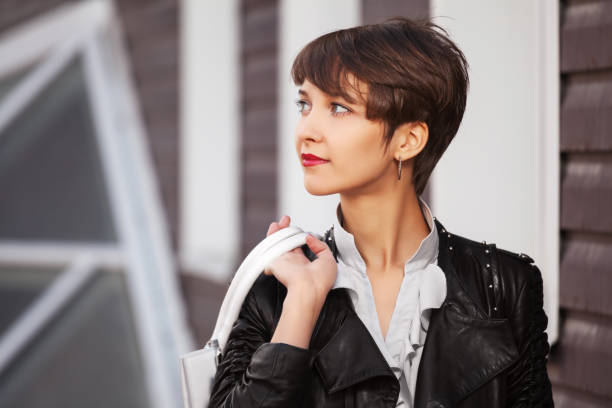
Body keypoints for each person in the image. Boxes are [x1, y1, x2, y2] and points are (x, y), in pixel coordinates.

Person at [208, 17, 553, 408]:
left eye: (338, 107)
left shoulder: (504, 288)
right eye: (305, 104)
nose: (306, 130)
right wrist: (302, 302)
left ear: (408, 140)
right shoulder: (278, 286)